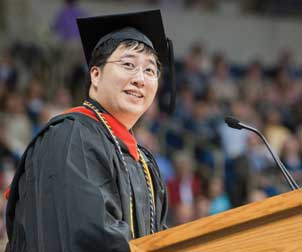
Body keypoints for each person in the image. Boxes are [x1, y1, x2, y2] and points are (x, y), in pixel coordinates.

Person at [5, 9, 175, 252]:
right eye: (128, 64)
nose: (140, 79)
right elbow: (88, 238)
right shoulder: (70, 137)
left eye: (150, 70)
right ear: (95, 74)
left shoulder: (144, 162)